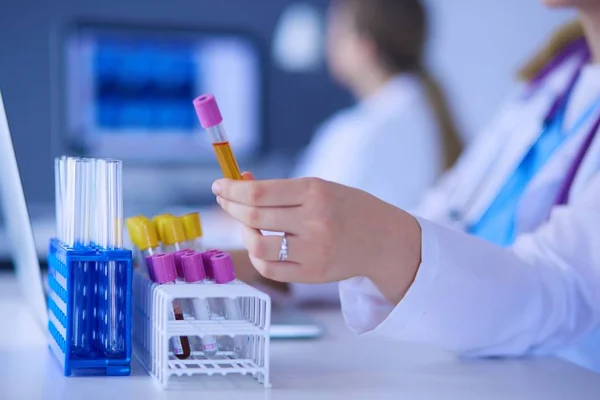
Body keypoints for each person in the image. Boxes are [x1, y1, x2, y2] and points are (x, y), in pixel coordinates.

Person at [211, 0, 600, 374]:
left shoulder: (381, 124)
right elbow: (442, 226)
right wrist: (269, 267)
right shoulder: (553, 80)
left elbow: (564, 293)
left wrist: (376, 242)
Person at [291, 0, 462, 210]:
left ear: (364, 47)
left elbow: (302, 220)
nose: (328, 43)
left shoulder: (361, 133)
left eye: (336, 33)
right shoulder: (426, 114)